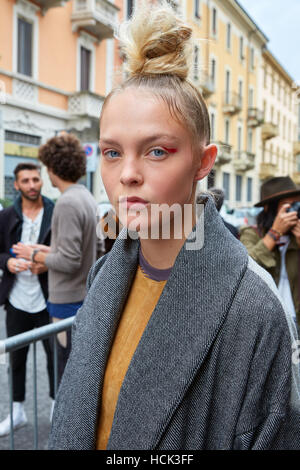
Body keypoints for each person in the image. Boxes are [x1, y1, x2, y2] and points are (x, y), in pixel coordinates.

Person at [48, 2, 300, 450]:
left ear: (203, 163)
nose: (127, 174)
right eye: (111, 152)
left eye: (157, 151)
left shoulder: (254, 310)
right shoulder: (106, 275)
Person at [13, 134, 98, 386]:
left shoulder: (67, 203)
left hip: (66, 301)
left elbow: (70, 260)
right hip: (82, 296)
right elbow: (91, 249)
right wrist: (49, 249)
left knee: (66, 374)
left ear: (52, 168)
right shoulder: (86, 197)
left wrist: (34, 254)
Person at [0, 162, 54, 436]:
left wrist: (48, 263)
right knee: (16, 359)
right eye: (26, 180)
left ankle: (58, 410)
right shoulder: (7, 216)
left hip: (48, 300)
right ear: (16, 184)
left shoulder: (56, 211)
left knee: (54, 359)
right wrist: (7, 261)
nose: (32, 185)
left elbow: (65, 252)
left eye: (36, 179)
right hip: (17, 300)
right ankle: (17, 412)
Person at [240, 176, 300, 335]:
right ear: (269, 208)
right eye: (289, 205)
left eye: (298, 204)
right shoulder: (252, 234)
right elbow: (245, 268)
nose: (295, 210)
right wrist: (275, 233)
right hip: (266, 324)